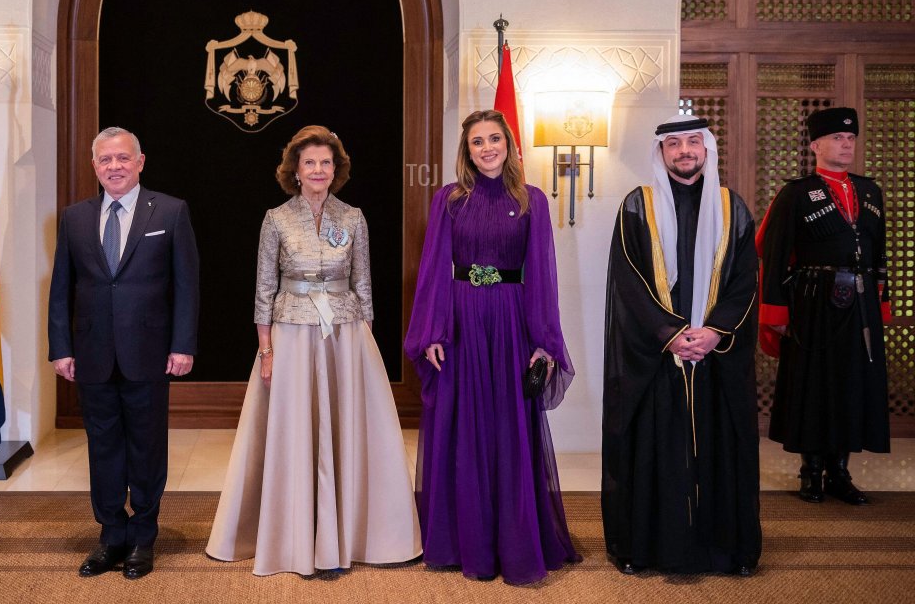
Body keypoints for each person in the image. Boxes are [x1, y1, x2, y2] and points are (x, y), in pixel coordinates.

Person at [206, 125, 421, 576]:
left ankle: (354, 533)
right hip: (291, 334)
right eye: (310, 163)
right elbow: (264, 288)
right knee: (295, 430)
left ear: (335, 169)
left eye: (326, 163)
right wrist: (266, 350)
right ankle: (292, 537)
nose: (319, 170)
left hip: (344, 335)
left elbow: (363, 284)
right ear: (295, 172)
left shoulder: (354, 217)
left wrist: (366, 346)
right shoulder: (276, 219)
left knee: (347, 428)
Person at [404, 109, 578, 585]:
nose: (486, 148)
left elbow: (541, 276)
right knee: (462, 426)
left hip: (508, 322)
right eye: (477, 141)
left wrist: (543, 342)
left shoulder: (532, 201)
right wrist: (432, 332)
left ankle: (513, 542)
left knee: (506, 428)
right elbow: (434, 269)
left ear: (509, 145)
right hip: (460, 322)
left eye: (494, 139)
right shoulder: (448, 200)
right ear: (467, 150)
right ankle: (463, 542)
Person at [602, 115, 761, 576]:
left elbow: (745, 279)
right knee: (660, 454)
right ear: (661, 152)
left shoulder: (734, 208)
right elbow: (628, 280)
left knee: (718, 451)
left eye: (693, 141)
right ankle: (650, 548)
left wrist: (714, 332)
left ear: (707, 149)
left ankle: (726, 550)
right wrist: (670, 334)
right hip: (659, 357)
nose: (684, 151)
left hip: (714, 354)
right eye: (674, 144)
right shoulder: (638, 205)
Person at [48, 126, 199, 580]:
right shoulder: (74, 217)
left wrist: (182, 344)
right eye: (105, 160)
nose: (114, 166)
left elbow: (187, 285)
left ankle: (143, 536)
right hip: (92, 354)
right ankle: (112, 534)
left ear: (140, 162)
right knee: (103, 447)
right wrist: (61, 347)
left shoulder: (171, 211)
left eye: (122, 158)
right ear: (95, 166)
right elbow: (61, 289)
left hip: (150, 352)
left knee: (147, 447)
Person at [758, 107, 890, 505]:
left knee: (853, 383)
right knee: (815, 384)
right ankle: (811, 471)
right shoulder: (796, 193)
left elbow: (879, 254)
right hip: (813, 301)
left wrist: (881, 302)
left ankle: (840, 472)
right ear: (816, 145)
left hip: (862, 300)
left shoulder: (869, 191)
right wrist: (775, 312)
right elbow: (774, 254)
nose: (846, 144)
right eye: (837, 138)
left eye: (850, 139)